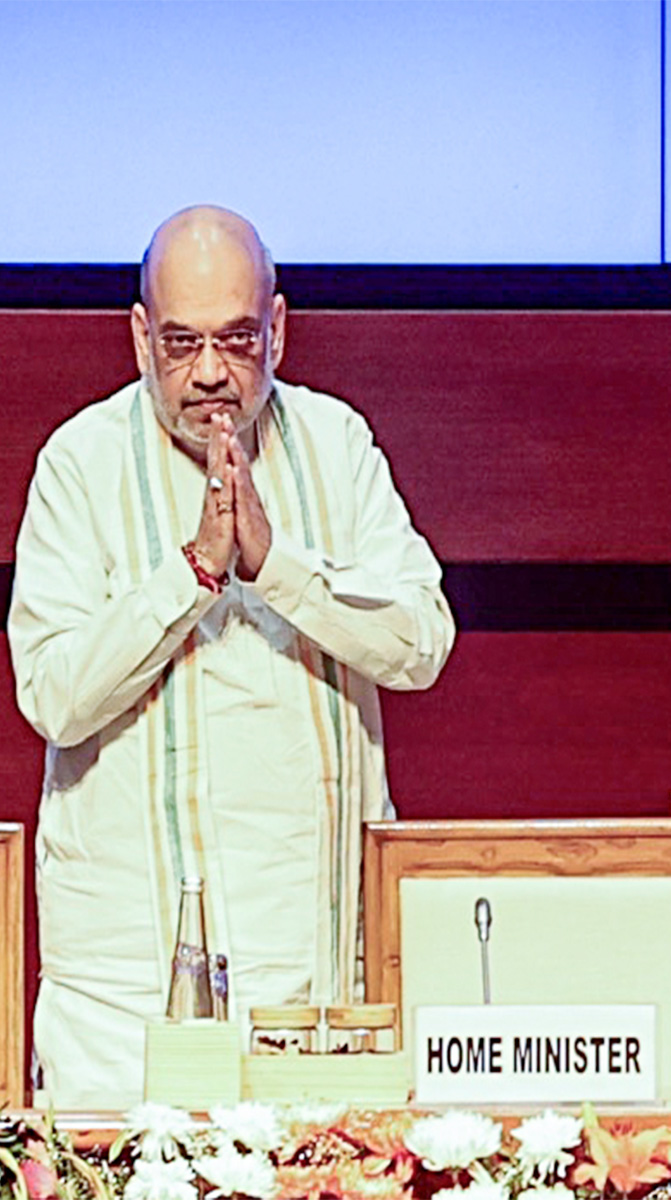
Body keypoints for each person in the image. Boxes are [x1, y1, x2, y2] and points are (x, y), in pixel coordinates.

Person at [7, 206, 456, 1108]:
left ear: (279, 330)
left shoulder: (337, 445)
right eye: (181, 343)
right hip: (122, 1015)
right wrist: (194, 574)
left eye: (237, 339)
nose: (210, 372)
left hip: (317, 992)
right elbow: (52, 696)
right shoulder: (79, 465)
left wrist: (274, 566)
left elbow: (422, 641)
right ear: (139, 337)